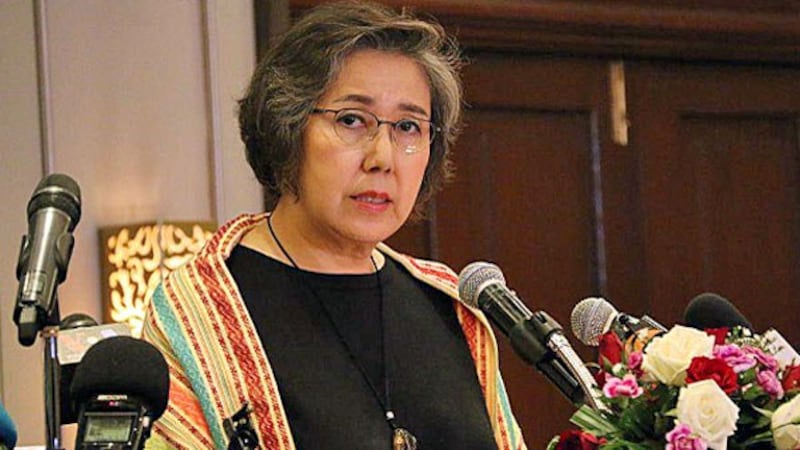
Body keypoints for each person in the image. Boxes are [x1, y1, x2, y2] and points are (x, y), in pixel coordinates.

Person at [142, 2, 528, 449]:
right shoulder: (198, 314)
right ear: (285, 126)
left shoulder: (450, 305)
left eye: (407, 126)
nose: (381, 157)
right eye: (351, 120)